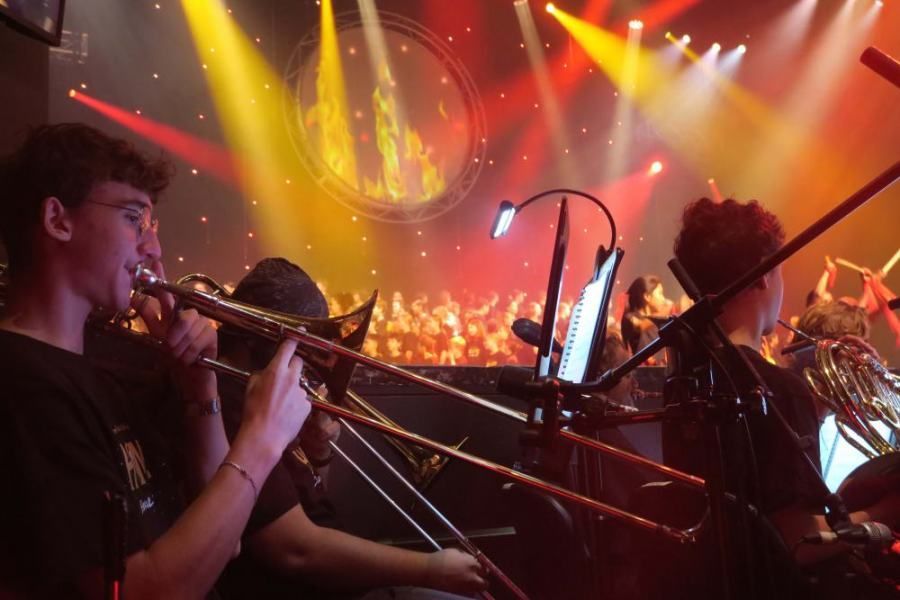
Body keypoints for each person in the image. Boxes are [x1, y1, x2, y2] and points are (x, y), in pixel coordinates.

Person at [0, 123, 311, 598]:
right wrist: (262, 440)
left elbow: (221, 544)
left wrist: (200, 390)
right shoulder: (23, 381)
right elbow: (141, 593)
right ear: (57, 220)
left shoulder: (103, 372)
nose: (154, 248)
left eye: (152, 226)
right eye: (133, 219)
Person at [214, 258, 487, 599]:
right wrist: (431, 570)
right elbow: (294, 549)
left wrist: (318, 454)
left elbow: (313, 508)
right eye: (302, 341)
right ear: (262, 337)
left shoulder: (264, 392)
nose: (309, 360)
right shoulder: (231, 400)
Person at [669, 197, 898, 598]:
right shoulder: (776, 389)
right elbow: (798, 544)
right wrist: (887, 512)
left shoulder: (685, 383)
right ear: (761, 277)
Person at [620, 274, 672, 364]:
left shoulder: (657, 321)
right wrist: (665, 311)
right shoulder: (630, 318)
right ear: (647, 296)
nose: (663, 299)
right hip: (643, 375)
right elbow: (641, 325)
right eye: (660, 294)